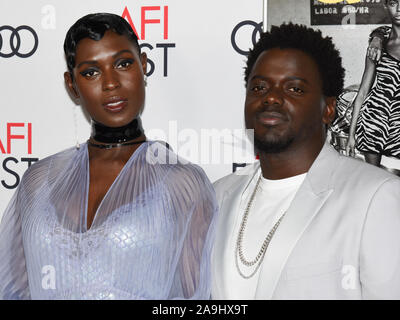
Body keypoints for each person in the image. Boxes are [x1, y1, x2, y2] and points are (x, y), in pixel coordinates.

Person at [0, 13, 217, 300]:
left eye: (123, 64)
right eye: (92, 72)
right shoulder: (38, 181)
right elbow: (13, 289)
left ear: (144, 65)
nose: (111, 83)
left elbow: (196, 296)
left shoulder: (181, 182)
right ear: (71, 85)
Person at [211, 23, 400, 300]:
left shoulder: (376, 196)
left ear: (329, 109)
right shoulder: (216, 197)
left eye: (295, 89)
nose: (271, 97)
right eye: (259, 87)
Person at [347, 0, 400, 166]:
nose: (399, 9)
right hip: (374, 121)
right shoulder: (377, 47)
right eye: (393, 3)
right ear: (386, 6)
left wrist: (377, 35)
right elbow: (362, 92)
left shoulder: (378, 37)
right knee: (372, 179)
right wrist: (351, 135)